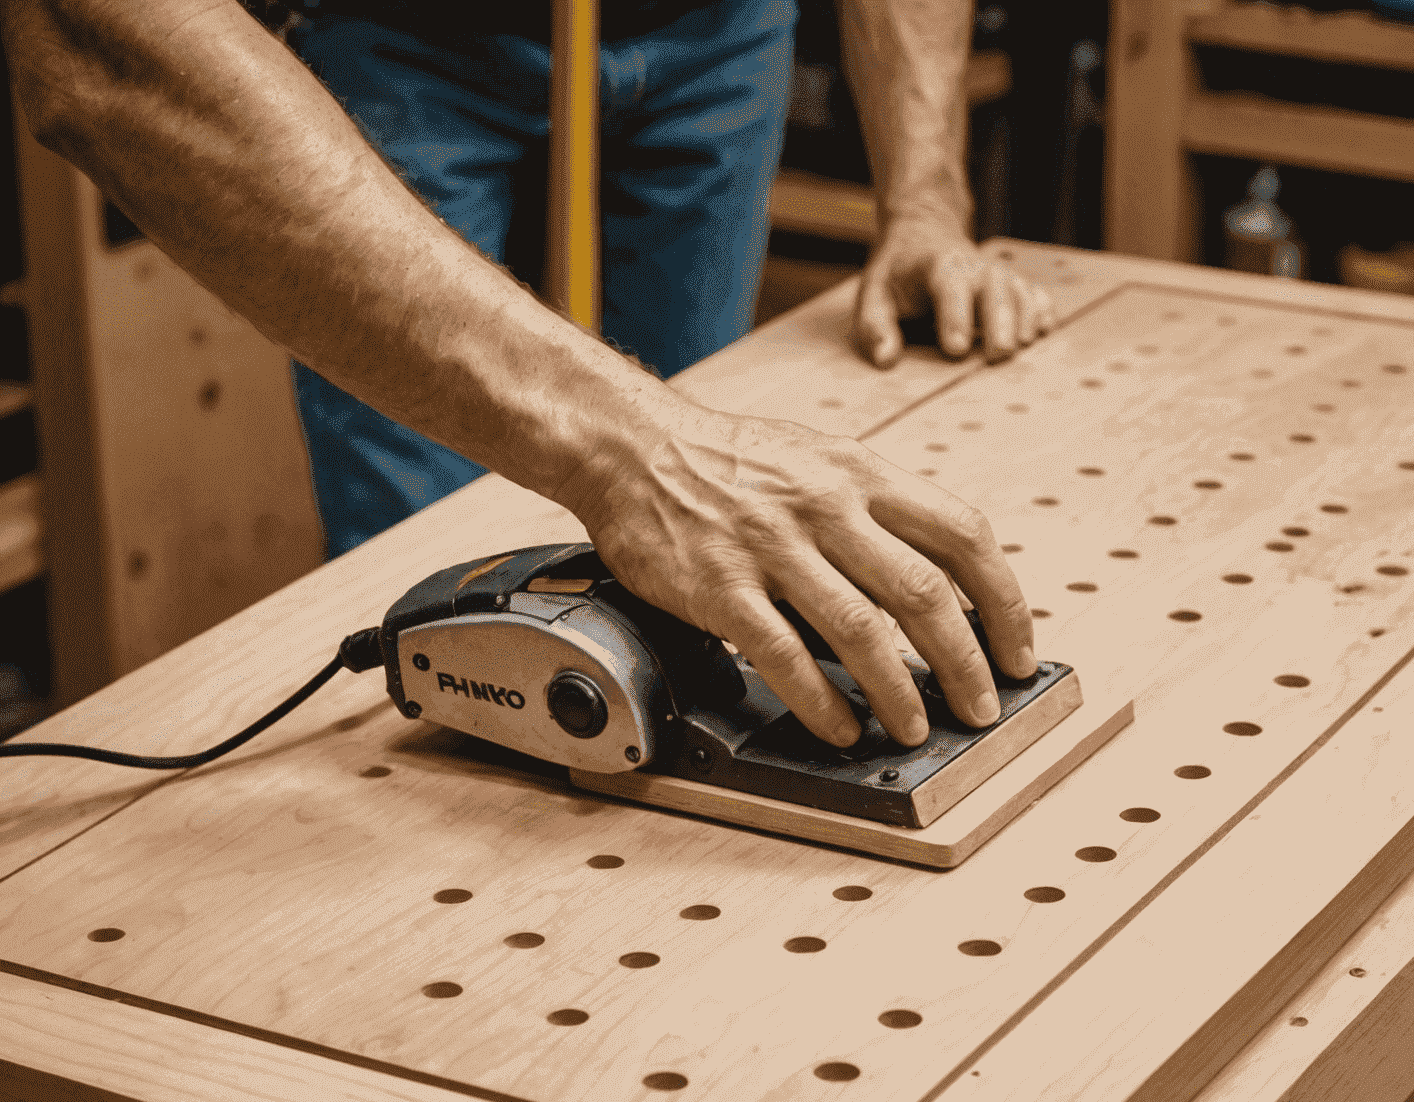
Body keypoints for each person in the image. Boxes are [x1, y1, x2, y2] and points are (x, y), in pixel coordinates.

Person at [6, 0, 1050, 756]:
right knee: (433, 589)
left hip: (718, 28)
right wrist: (640, 454)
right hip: (409, 33)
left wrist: (923, 200)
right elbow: (92, 35)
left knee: (720, 568)